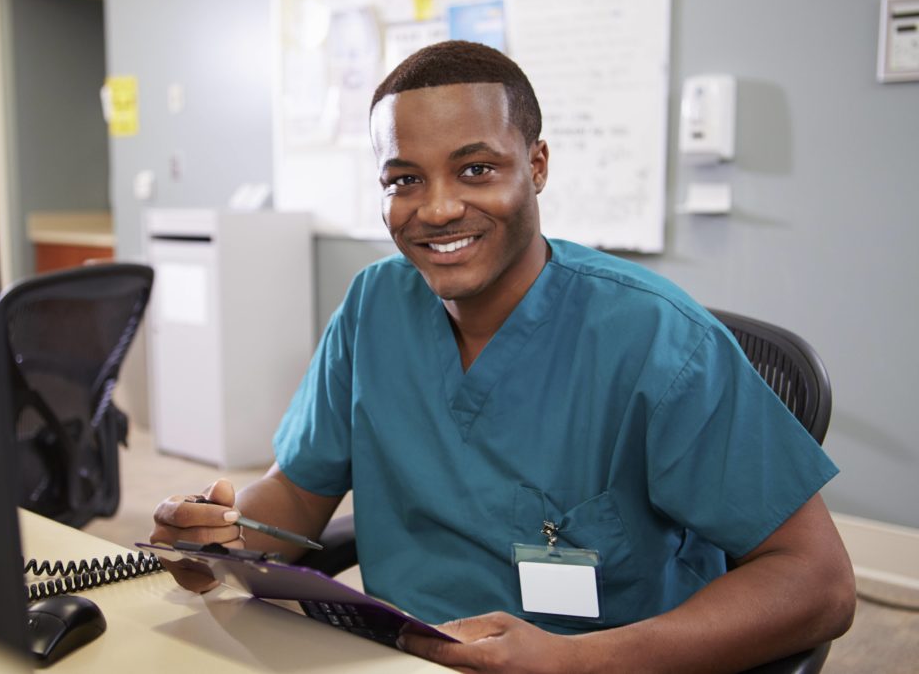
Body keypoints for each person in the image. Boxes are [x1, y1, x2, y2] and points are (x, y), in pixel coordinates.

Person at [152, 40, 855, 672]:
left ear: (537, 166)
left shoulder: (659, 341)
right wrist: (220, 534)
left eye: (476, 168)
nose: (437, 208)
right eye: (404, 180)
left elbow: (818, 581)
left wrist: (578, 661)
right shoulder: (374, 307)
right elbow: (299, 493)